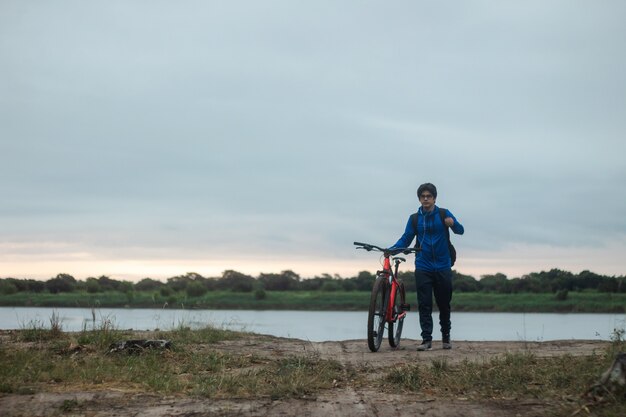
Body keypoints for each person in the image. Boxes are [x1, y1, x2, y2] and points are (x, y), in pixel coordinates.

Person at [390, 183, 464, 351]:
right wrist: (392, 250)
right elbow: (406, 238)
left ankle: (446, 337)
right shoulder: (415, 219)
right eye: (422, 196)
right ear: (419, 199)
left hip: (443, 265)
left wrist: (452, 224)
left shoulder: (444, 213)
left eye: (428, 196)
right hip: (423, 265)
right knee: (424, 304)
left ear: (434, 198)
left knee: (444, 303)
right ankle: (426, 340)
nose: (425, 198)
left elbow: (461, 230)